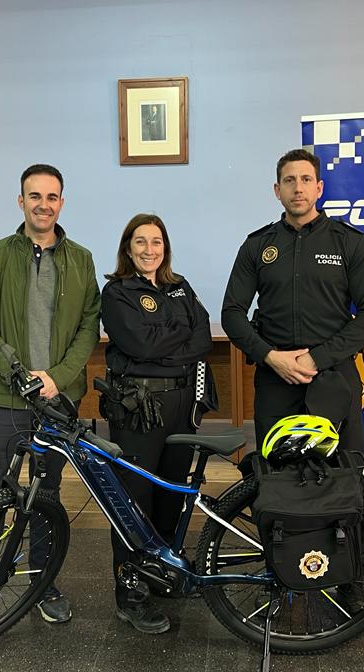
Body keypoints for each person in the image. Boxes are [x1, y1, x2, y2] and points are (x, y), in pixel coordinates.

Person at [0, 163, 100, 625]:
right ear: (20, 201)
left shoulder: (80, 259)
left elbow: (88, 326)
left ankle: (42, 582)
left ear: (63, 202)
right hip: (7, 399)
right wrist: (19, 373)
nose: (44, 204)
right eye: (35, 196)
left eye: (52, 196)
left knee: (48, 492)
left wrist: (57, 377)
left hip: (58, 401)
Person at [221, 148, 364, 454]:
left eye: (306, 179)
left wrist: (316, 359)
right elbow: (231, 313)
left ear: (319, 188)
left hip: (333, 378)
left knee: (341, 476)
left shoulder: (349, 242)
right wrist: (270, 356)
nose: (298, 188)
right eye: (289, 180)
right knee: (275, 477)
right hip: (275, 380)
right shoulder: (257, 245)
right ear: (277, 190)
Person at [100, 213, 213, 634]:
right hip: (139, 409)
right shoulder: (116, 293)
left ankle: (160, 575)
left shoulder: (179, 286)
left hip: (183, 406)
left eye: (157, 242)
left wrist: (169, 340)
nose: (150, 250)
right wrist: (178, 337)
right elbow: (137, 343)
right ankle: (131, 593)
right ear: (128, 248)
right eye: (141, 242)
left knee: (171, 494)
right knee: (134, 500)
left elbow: (203, 335)